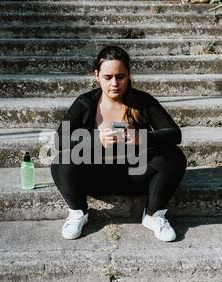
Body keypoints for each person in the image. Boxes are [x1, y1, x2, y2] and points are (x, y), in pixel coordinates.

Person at [50, 46, 187, 241]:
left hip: (136, 174)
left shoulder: (143, 101)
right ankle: (78, 213)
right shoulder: (85, 102)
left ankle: (154, 216)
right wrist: (95, 140)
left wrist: (142, 138)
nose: (114, 83)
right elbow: (60, 139)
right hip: (95, 175)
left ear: (128, 74)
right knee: (62, 161)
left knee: (174, 156)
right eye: (108, 77)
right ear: (96, 75)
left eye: (120, 76)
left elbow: (174, 134)